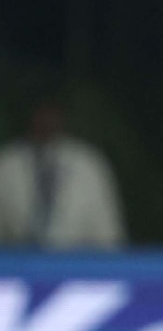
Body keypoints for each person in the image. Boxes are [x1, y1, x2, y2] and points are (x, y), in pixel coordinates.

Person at [0, 97, 126, 250]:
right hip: (19, 267)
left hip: (76, 267)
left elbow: (109, 235)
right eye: (40, 111)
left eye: (51, 111)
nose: (46, 119)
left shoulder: (88, 163)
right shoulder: (6, 164)